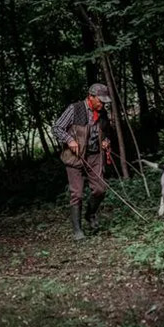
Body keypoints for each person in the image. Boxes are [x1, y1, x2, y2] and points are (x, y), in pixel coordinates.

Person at [53, 83, 114, 240]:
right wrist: (69, 140)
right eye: (100, 101)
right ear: (90, 97)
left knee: (100, 189)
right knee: (77, 194)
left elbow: (106, 132)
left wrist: (106, 141)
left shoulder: (103, 114)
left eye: (104, 102)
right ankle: (77, 231)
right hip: (75, 157)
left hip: (94, 156)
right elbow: (57, 128)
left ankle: (90, 214)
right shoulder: (75, 108)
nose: (102, 104)